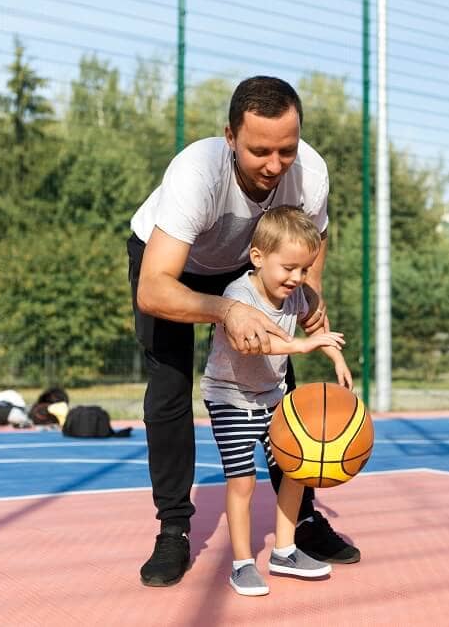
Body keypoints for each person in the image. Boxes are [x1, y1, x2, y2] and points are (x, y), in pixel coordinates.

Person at [127, 76, 360, 588]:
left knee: (282, 380)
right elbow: (154, 290)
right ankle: (173, 530)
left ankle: (298, 523)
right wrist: (226, 312)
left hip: (244, 262)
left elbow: (310, 244)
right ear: (230, 136)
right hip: (171, 267)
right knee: (168, 386)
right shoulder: (197, 172)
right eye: (259, 151)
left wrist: (308, 301)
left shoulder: (311, 173)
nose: (275, 165)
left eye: (286, 150)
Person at [202, 206, 353, 596]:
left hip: (273, 398)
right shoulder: (239, 294)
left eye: (303, 269)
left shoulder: (296, 294)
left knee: (295, 470)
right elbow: (255, 343)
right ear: (258, 257)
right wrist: (302, 346)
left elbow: (315, 323)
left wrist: (335, 355)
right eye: (288, 268)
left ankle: (284, 551)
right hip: (231, 399)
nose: (297, 278)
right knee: (243, 482)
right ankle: (241, 564)